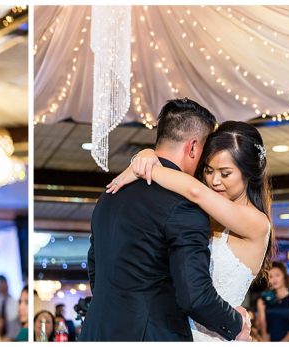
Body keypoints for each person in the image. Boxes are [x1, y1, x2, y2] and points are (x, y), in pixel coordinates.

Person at [94, 100, 270, 342]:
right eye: (208, 170)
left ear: (249, 173)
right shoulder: (198, 212)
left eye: (225, 173)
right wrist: (145, 156)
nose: (215, 181)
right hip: (171, 331)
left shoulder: (257, 223)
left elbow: (195, 191)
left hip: (217, 334)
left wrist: (144, 164)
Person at [257, 262, 289, 341]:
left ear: (284, 276)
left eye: (277, 275)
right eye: (270, 276)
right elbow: (263, 329)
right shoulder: (262, 300)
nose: (274, 279)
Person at [0, 275, 20, 340]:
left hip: (13, 336)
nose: (2, 286)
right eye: (0, 284)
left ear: (7, 284)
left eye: (4, 283)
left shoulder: (15, 302)